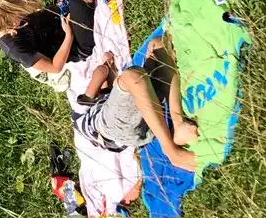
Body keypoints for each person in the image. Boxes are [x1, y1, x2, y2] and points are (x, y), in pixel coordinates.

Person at [74, 38, 199, 173]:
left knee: (157, 44)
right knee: (131, 76)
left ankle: (178, 124)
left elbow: (116, 95)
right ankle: (172, 152)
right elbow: (100, 74)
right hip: (113, 129)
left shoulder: (111, 99)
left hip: (142, 121)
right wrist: (104, 64)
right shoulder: (81, 116)